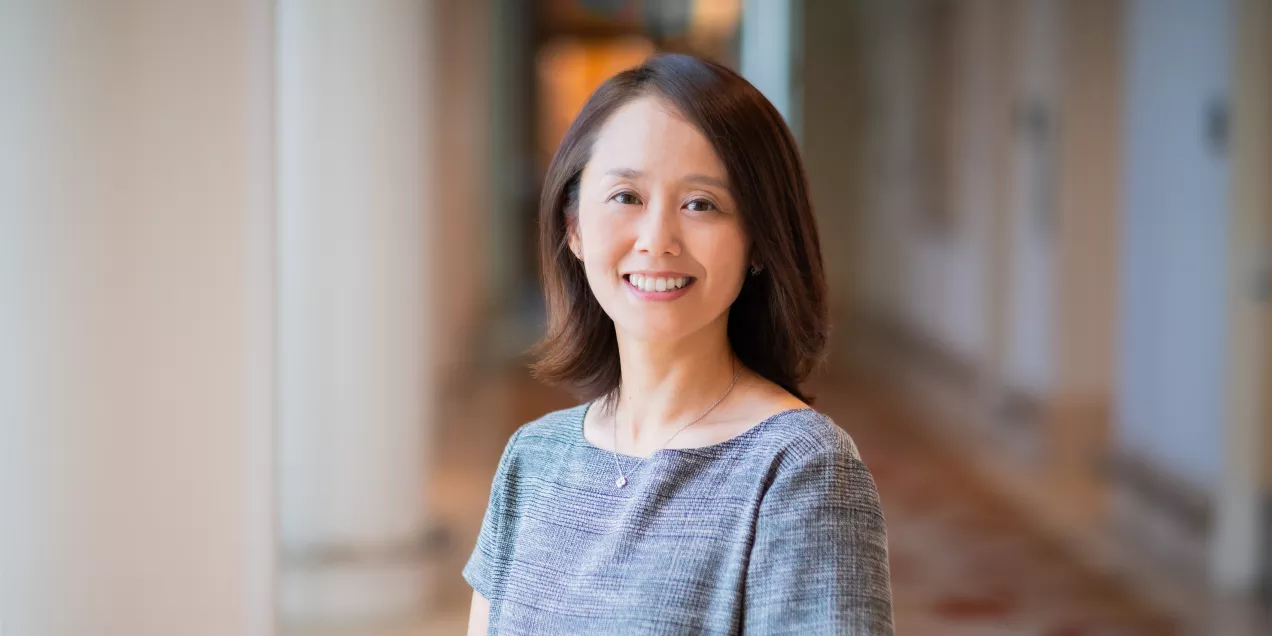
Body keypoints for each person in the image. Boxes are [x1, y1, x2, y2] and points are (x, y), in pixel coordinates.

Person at [464, 53, 893, 635]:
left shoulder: (800, 471)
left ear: (761, 242)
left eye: (701, 204)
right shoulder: (531, 459)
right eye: (626, 197)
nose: (657, 240)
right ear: (575, 228)